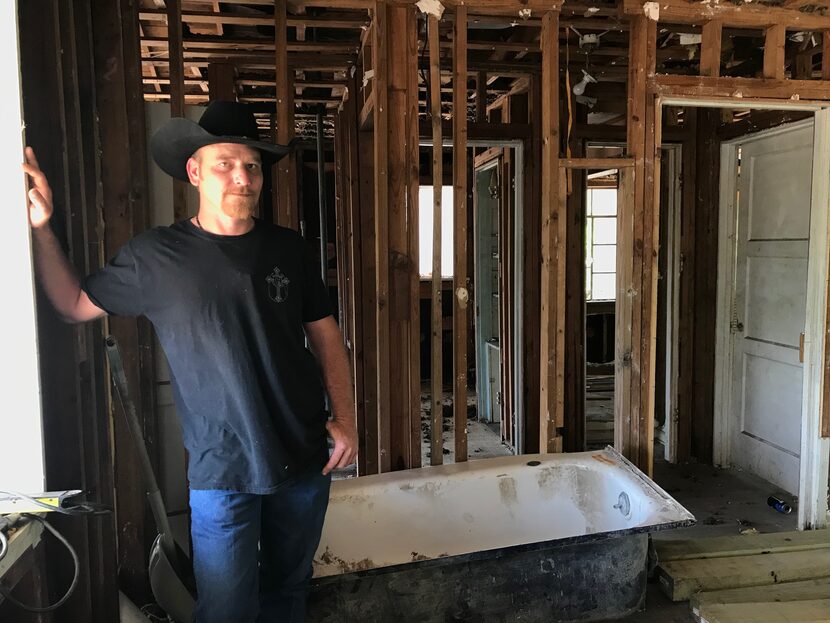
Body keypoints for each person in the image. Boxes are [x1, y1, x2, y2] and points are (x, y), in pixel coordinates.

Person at [23, 100, 358, 623]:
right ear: (195, 171)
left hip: (305, 457)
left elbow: (327, 337)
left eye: (251, 165)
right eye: (225, 163)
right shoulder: (155, 257)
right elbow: (71, 306)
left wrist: (345, 419)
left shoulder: (289, 251)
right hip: (221, 470)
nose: (241, 177)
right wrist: (42, 227)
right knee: (225, 609)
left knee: (289, 593)